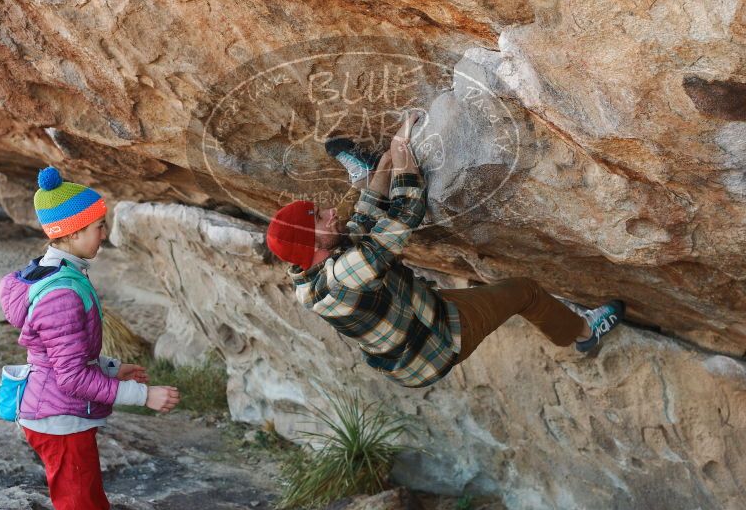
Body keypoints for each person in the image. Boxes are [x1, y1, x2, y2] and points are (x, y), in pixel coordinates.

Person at [266, 112, 625, 388]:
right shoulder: (341, 277)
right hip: (437, 345)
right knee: (525, 291)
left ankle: (370, 173)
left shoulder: (309, 271)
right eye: (320, 218)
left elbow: (360, 226)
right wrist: (402, 152)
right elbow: (406, 212)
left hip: (420, 320)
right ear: (312, 245)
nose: (331, 212)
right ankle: (583, 333)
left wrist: (386, 167)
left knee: (361, 225)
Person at [0, 167, 180, 510]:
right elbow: (71, 377)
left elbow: (65, 355)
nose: (104, 233)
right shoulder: (62, 293)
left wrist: (112, 368)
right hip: (59, 418)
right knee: (82, 508)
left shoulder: (54, 273)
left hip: (55, 409)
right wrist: (144, 396)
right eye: (99, 226)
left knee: (87, 500)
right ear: (73, 231)